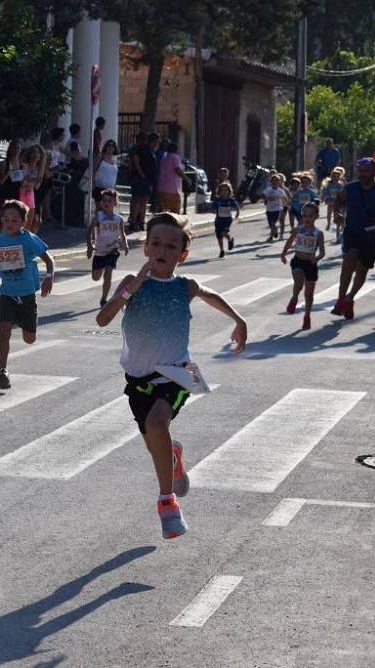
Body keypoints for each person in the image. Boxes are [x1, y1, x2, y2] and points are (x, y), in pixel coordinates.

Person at [96, 212, 247, 539]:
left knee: (156, 424)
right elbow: (102, 320)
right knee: (156, 445)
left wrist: (239, 321)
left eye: (171, 245)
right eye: (156, 244)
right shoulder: (131, 285)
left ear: (183, 254)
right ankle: (173, 456)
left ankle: (168, 504)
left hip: (175, 376)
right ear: (146, 248)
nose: (162, 250)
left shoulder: (184, 286)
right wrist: (130, 289)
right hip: (138, 380)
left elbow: (210, 295)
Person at [0, 200, 55, 390]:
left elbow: (48, 259)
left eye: (15, 220)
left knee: (29, 338)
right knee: (3, 329)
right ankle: (2, 371)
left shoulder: (28, 238)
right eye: (6, 219)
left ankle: (26, 324)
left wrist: (49, 276)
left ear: (24, 222)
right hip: (7, 294)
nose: (9, 223)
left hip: (27, 295)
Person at [330, 158, 375, 320]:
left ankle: (350, 298)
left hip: (372, 235)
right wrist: (337, 213)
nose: (362, 174)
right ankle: (340, 299)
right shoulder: (351, 188)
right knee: (350, 259)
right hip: (353, 230)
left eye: (366, 171)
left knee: (362, 269)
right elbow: (338, 201)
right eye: (360, 171)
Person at [280, 201, 326, 330]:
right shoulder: (297, 230)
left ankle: (307, 316)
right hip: (298, 261)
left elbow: (322, 251)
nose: (307, 218)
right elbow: (289, 243)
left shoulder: (319, 234)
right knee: (298, 283)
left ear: (316, 217)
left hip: (310, 264)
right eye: (304, 215)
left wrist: (317, 258)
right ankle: (294, 298)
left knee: (309, 294)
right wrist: (283, 254)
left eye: (310, 216)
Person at [86, 188, 128, 307]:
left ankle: (104, 299)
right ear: (101, 203)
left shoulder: (118, 219)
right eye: (104, 200)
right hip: (99, 251)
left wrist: (125, 245)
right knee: (95, 278)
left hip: (112, 250)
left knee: (108, 273)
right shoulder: (98, 217)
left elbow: (122, 234)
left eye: (109, 200)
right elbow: (89, 232)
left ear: (115, 203)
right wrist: (90, 246)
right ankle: (101, 268)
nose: (106, 203)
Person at [128, 133, 159, 232]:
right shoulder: (143, 149)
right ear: (153, 141)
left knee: (144, 201)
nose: (157, 144)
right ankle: (134, 222)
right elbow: (135, 159)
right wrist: (141, 172)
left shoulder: (152, 151)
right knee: (137, 200)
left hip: (148, 180)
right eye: (157, 141)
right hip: (140, 179)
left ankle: (141, 221)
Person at [211, 182, 240, 258]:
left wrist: (237, 213)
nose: (224, 192)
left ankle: (230, 239)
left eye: (226, 190)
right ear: (219, 192)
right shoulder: (217, 200)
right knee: (219, 236)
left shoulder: (231, 200)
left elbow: (237, 207)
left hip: (227, 220)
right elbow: (213, 208)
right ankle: (222, 250)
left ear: (229, 192)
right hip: (218, 220)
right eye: (222, 190)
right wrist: (213, 210)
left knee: (224, 232)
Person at [20, 144, 45, 232]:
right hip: (21, 193)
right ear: (29, 154)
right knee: (20, 220)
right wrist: (31, 180)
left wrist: (37, 181)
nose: (36, 154)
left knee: (31, 221)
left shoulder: (39, 169)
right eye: (33, 152)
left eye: (38, 153)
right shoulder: (23, 165)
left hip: (30, 194)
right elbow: (20, 181)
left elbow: (37, 187)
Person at [156, 141, 186, 214]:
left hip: (162, 188)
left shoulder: (164, 157)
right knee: (175, 212)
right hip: (172, 190)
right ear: (176, 150)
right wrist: (186, 179)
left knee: (165, 211)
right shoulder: (175, 157)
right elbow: (177, 169)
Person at [92, 139, 119, 208]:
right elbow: (93, 170)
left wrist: (114, 189)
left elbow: (114, 176)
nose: (110, 148)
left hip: (110, 189)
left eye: (112, 146)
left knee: (108, 210)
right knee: (100, 209)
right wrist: (92, 183)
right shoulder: (100, 158)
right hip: (99, 187)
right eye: (108, 145)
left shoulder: (114, 162)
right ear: (105, 147)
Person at [262, 173, 288, 241]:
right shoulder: (268, 189)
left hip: (277, 209)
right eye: (273, 180)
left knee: (273, 223)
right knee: (271, 224)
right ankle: (275, 230)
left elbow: (284, 197)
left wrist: (288, 204)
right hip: (269, 209)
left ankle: (271, 237)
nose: (275, 182)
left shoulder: (280, 191)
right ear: (271, 182)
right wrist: (268, 198)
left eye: (276, 181)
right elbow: (262, 195)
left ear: (279, 182)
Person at [321, 167, 346, 236]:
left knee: (338, 215)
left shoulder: (340, 185)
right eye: (334, 176)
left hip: (338, 202)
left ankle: (340, 226)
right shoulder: (329, 185)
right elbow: (325, 192)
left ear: (339, 177)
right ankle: (329, 223)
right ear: (331, 177)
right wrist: (325, 198)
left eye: (337, 176)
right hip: (331, 201)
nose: (335, 178)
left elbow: (343, 193)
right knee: (329, 213)